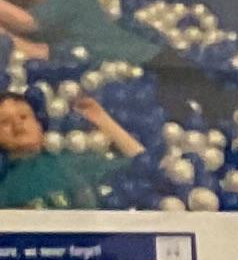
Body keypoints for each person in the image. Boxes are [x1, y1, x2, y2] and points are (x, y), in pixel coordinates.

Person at [0, 86, 137, 210]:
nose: (17, 125)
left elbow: (140, 166)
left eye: (24, 117)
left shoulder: (73, 162)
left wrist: (102, 119)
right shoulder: (5, 183)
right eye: (5, 122)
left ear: (39, 124)